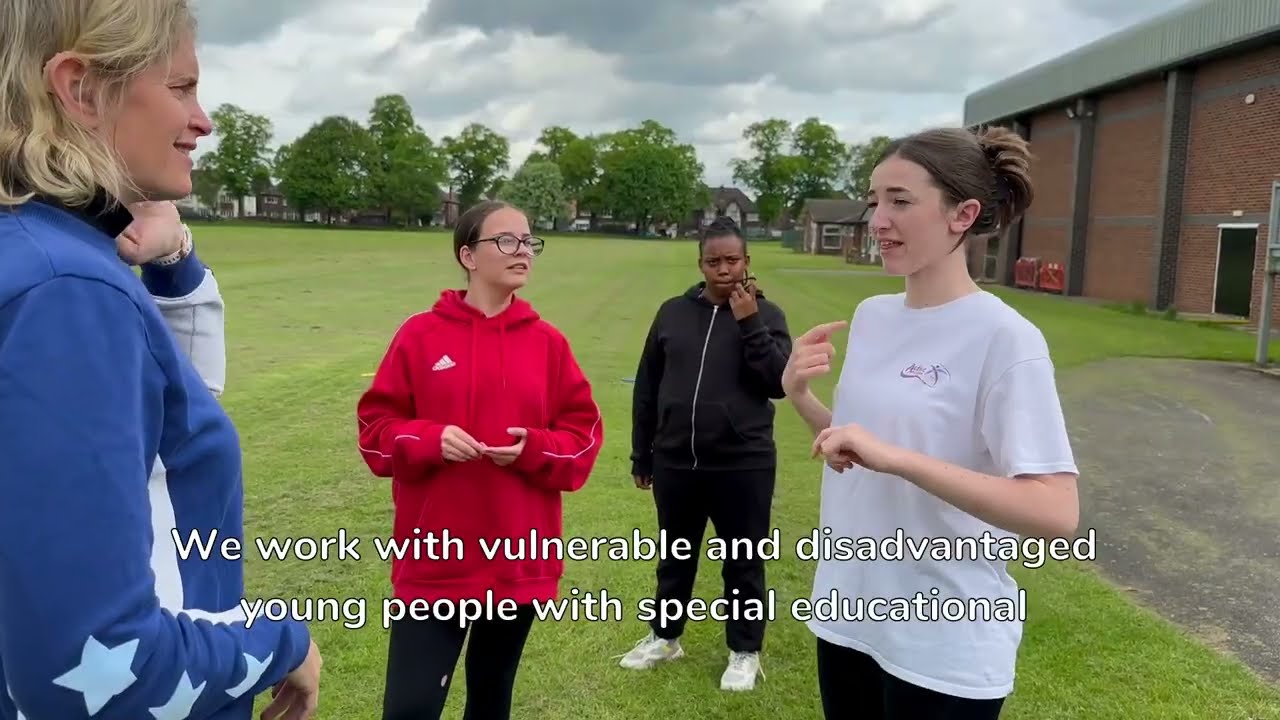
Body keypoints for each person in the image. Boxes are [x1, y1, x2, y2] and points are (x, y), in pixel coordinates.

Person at [0, 3, 323, 719]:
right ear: (81, 90)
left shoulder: (38, 258)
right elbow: (91, 670)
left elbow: (162, 431)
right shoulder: (67, 291)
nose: (203, 120)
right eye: (180, 88)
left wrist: (172, 260)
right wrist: (279, 645)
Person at [783, 126, 1080, 719]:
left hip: (945, 641)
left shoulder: (1006, 339)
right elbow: (859, 448)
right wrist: (799, 395)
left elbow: (1056, 514)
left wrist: (900, 460)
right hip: (848, 617)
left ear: (962, 215)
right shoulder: (872, 317)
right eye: (875, 200)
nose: (878, 220)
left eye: (901, 200)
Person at [356, 200, 604, 720]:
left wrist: (532, 449)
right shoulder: (420, 336)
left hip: (518, 562)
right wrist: (429, 439)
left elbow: (582, 440)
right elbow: (375, 436)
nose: (524, 252)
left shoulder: (548, 344)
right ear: (468, 255)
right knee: (410, 708)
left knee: (491, 704)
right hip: (435, 563)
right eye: (507, 241)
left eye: (529, 241)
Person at [620, 216, 792, 691]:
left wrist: (750, 322)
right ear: (700, 263)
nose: (723, 270)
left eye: (732, 260)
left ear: (746, 262)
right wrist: (642, 454)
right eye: (713, 261)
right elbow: (648, 386)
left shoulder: (768, 315)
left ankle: (744, 651)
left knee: (742, 559)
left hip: (744, 462)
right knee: (676, 557)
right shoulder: (673, 312)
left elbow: (777, 382)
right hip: (676, 460)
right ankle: (665, 637)